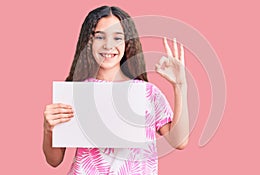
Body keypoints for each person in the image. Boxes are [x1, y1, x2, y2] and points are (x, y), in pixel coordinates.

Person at [43, 6, 189, 174]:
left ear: (127, 42)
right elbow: (54, 160)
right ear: (89, 41)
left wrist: (180, 86)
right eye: (100, 37)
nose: (108, 45)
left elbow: (179, 141)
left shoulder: (147, 93)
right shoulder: (76, 92)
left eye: (117, 38)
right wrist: (48, 129)